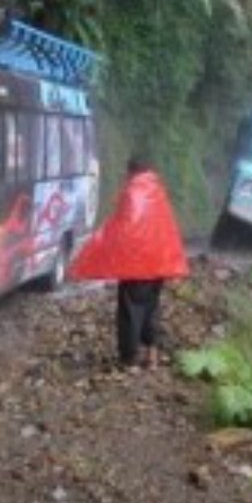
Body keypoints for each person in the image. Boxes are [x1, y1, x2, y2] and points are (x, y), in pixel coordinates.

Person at [68, 155, 189, 368]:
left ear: (132, 171)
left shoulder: (131, 192)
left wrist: (99, 247)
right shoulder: (158, 191)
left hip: (135, 266)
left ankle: (130, 358)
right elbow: (166, 229)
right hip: (158, 265)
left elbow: (123, 227)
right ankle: (152, 355)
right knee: (151, 307)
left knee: (130, 311)